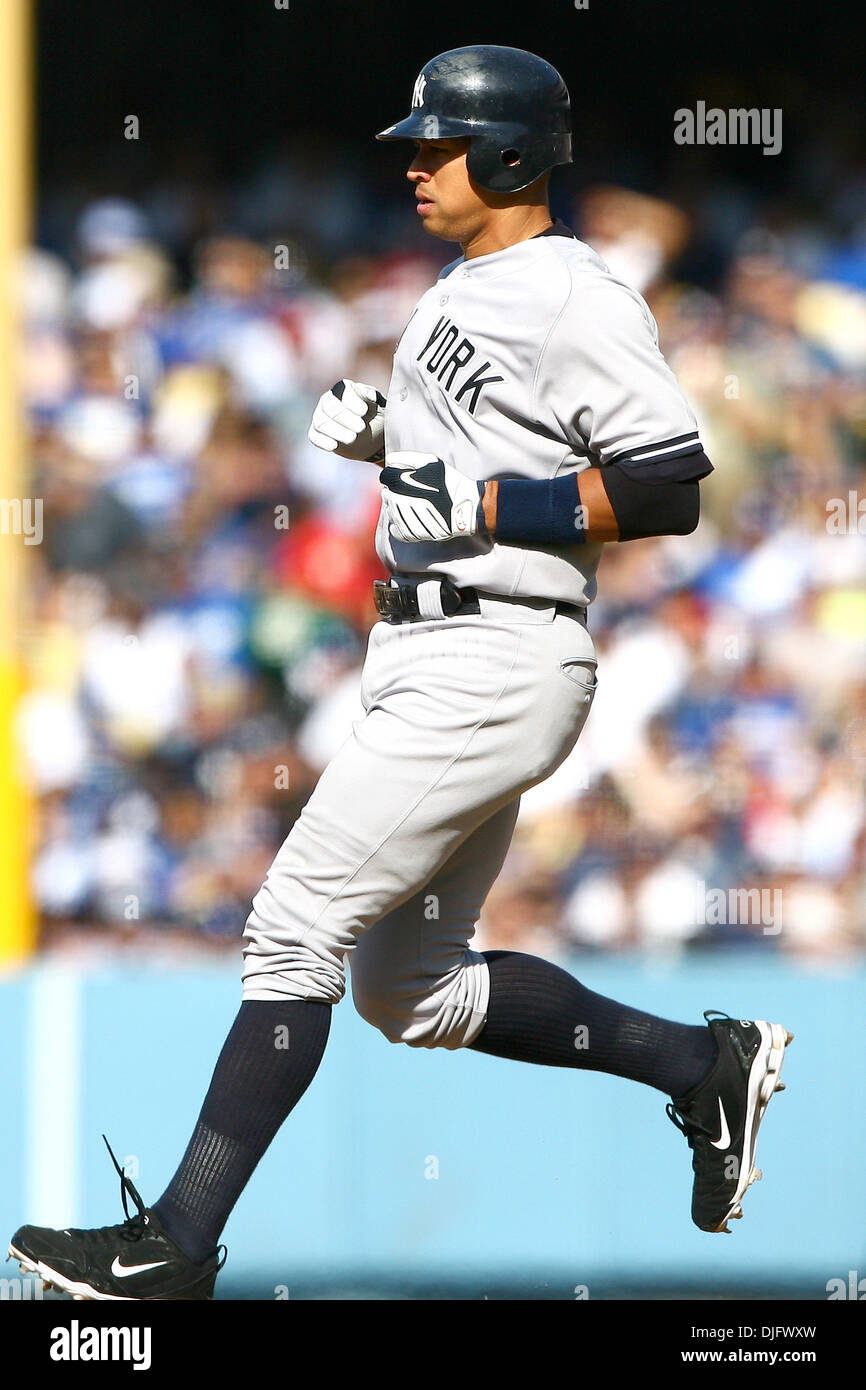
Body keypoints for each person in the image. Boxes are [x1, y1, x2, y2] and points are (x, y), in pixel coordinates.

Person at [9, 45, 791, 1302]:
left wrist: (488, 490)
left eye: (439, 145)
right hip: (424, 643)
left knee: (291, 929)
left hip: (492, 646)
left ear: (512, 156)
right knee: (410, 992)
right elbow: (479, 456)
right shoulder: (454, 289)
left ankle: (177, 1241)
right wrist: (398, 438)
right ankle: (698, 1067)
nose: (414, 165)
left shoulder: (574, 293)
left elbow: (666, 482)